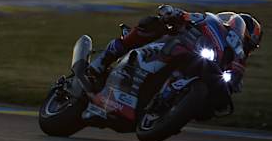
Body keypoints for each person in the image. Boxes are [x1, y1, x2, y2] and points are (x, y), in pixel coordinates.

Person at [88, 5, 262, 93]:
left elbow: (233, 89)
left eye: (249, 46)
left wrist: (230, 86)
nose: (244, 46)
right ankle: (102, 61)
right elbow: (190, 17)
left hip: (199, 72)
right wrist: (175, 14)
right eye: (244, 40)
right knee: (151, 25)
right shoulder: (213, 27)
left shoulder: (235, 63)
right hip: (179, 46)